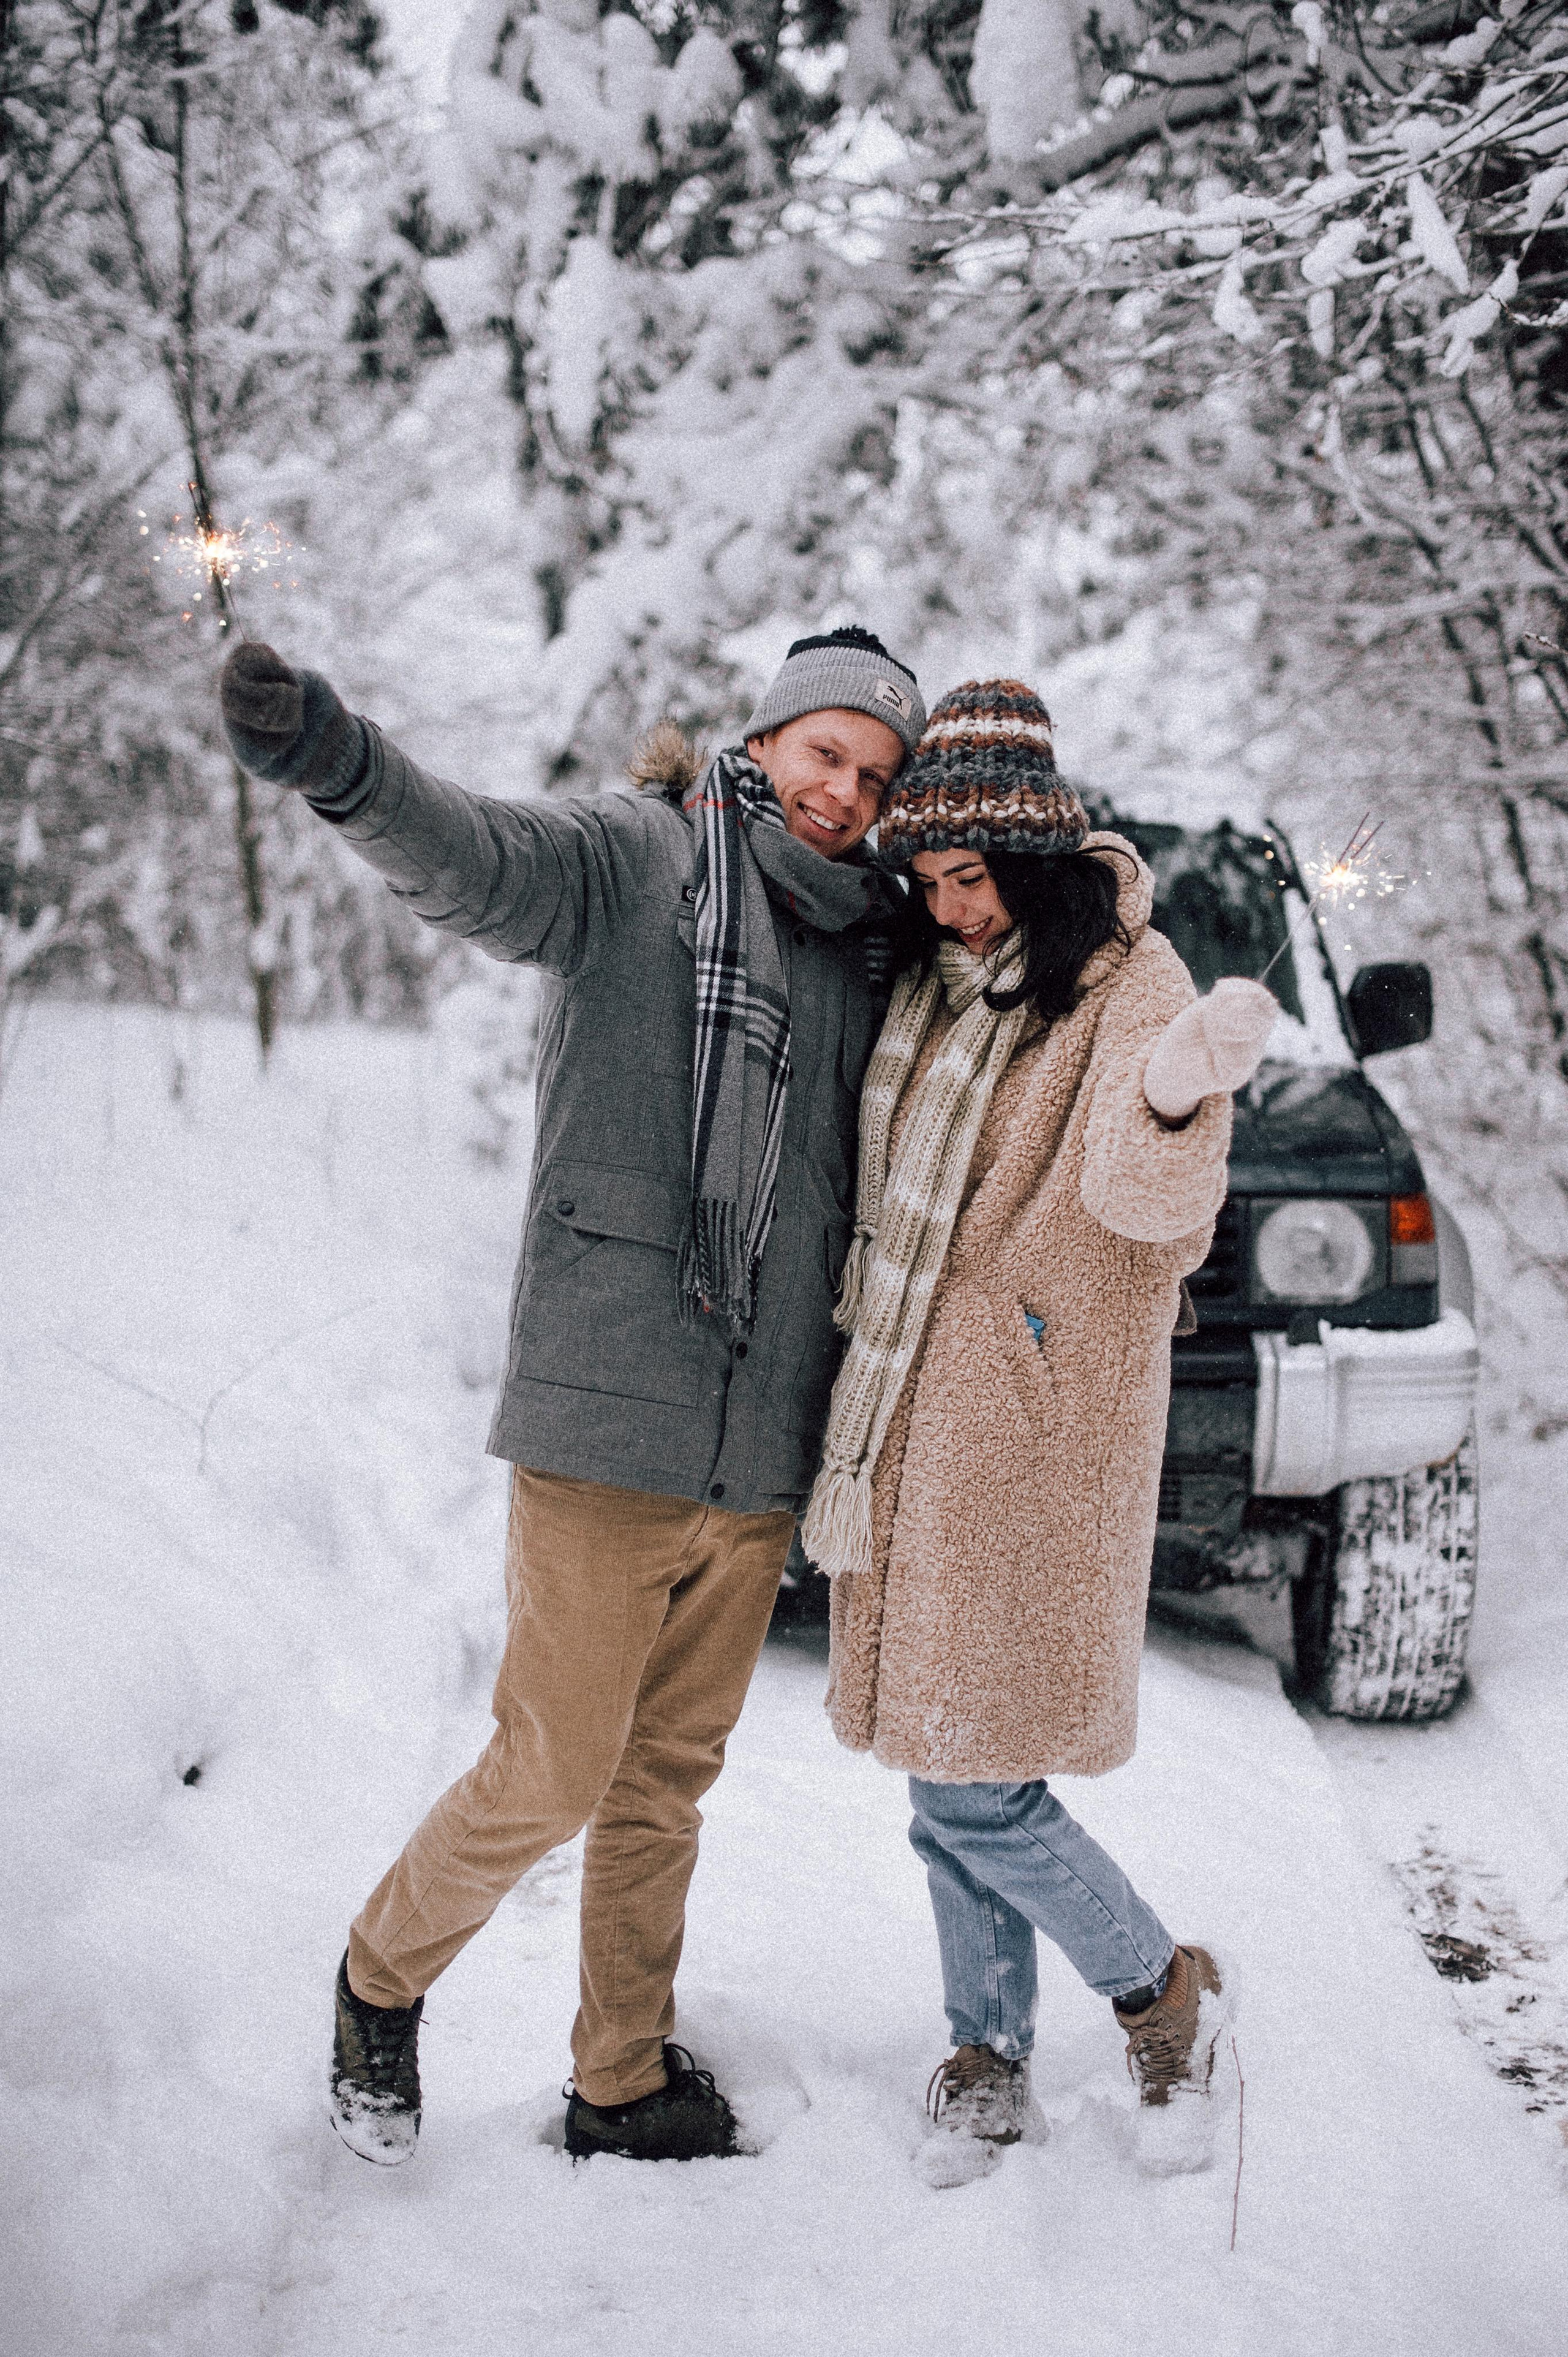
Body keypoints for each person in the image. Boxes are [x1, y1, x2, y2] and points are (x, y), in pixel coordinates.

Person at [218, 624, 925, 2165]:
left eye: (874, 775)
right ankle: (377, 1979)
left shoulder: (873, 944)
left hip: (758, 1448)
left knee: (666, 1779)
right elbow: (468, 855)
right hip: (613, 1410)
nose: (842, 792)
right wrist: (339, 762)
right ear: (770, 738)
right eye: (825, 752)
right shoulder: (638, 860)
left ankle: (619, 2075)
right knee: (553, 1762)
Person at [799, 678, 1278, 2184]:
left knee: (967, 1773)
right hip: (914, 1415)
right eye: (928, 881)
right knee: (953, 1760)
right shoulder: (945, 982)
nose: (946, 909)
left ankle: (1152, 1986)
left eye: (969, 878)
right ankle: (984, 2048)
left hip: (1027, 1430)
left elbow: (1150, 1215)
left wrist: (1173, 1090)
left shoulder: (1128, 984)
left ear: (1040, 862)